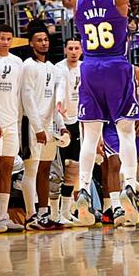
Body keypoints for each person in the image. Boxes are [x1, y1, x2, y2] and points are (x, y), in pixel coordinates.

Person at [73, 0, 139, 227]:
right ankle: (130, 186)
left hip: (89, 68)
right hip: (116, 67)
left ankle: (83, 190)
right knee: (126, 131)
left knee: (90, 135)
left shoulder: (80, 1)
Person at [21, 23, 65, 230]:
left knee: (45, 170)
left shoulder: (53, 69)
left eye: (46, 39)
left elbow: (55, 102)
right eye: (39, 40)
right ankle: (30, 216)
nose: (43, 43)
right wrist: (38, 128)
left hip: (48, 126)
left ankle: (43, 213)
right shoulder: (28, 66)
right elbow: (27, 98)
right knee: (31, 169)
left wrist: (61, 126)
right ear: (31, 43)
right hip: (32, 124)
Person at [0, 24, 25, 232]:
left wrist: (18, 124)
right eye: (2, 38)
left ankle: (2, 215)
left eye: (9, 39)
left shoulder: (17, 62)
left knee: (7, 168)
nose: (6, 42)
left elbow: (18, 95)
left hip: (11, 122)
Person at [54, 38, 82, 226]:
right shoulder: (58, 68)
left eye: (76, 48)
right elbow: (60, 89)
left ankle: (66, 211)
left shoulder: (85, 68)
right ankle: (53, 212)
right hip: (60, 122)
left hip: (78, 121)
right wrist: (59, 103)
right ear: (65, 50)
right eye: (70, 48)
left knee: (73, 168)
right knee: (58, 169)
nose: (73, 51)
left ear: (81, 50)